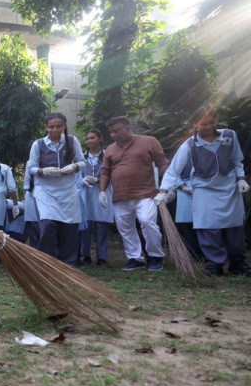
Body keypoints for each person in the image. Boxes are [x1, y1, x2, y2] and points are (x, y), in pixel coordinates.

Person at [157, 107, 250, 276]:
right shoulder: (190, 145)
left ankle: (238, 262)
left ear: (217, 120)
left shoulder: (229, 136)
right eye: (203, 124)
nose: (208, 127)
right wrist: (163, 191)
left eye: (212, 123)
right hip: (204, 190)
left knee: (234, 227)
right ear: (195, 124)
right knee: (208, 227)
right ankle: (215, 263)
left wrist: (241, 179)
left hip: (229, 187)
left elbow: (237, 160)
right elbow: (173, 170)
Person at [99, 117, 169, 272]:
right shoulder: (110, 149)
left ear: (128, 128)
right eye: (110, 132)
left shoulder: (149, 141)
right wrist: (102, 191)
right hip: (119, 195)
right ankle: (135, 258)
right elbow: (105, 171)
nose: (113, 134)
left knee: (147, 222)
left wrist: (168, 186)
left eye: (116, 131)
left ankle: (156, 256)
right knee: (125, 228)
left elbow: (162, 163)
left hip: (145, 193)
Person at [26, 113, 86, 266]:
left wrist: (74, 166)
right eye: (51, 127)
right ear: (46, 128)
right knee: (47, 225)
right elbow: (31, 168)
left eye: (59, 126)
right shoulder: (38, 144)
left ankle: (68, 263)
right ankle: (46, 263)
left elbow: (82, 162)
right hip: (45, 190)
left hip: (67, 189)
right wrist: (43, 171)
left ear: (64, 126)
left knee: (69, 226)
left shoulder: (72, 141)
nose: (55, 130)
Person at [79, 129, 113, 267]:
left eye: (92, 138)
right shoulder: (82, 157)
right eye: (87, 139)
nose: (89, 141)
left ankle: (102, 257)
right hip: (86, 193)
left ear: (100, 139)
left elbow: (113, 174)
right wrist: (82, 180)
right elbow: (75, 175)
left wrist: (99, 180)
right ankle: (86, 255)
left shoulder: (107, 156)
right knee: (86, 225)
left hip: (102, 192)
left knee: (101, 225)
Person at [172, 158, 204, 261]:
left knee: (206, 224)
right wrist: (184, 187)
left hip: (205, 188)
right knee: (187, 225)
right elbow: (174, 174)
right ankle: (193, 254)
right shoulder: (182, 156)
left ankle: (209, 253)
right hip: (185, 191)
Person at [22, 163, 40, 248]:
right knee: (34, 227)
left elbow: (27, 182)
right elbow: (27, 182)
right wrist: (24, 199)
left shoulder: (31, 162)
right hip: (32, 195)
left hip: (38, 195)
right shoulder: (30, 162)